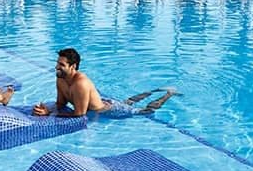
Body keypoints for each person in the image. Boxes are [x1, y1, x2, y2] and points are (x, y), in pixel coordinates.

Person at [32, 48, 176, 118]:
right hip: (104, 103)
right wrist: (47, 109)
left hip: (110, 111)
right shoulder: (60, 78)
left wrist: (50, 114)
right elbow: (61, 103)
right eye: (57, 63)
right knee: (128, 101)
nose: (56, 67)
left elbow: (79, 114)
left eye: (61, 65)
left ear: (73, 66)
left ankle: (168, 94)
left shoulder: (80, 83)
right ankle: (156, 90)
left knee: (145, 111)